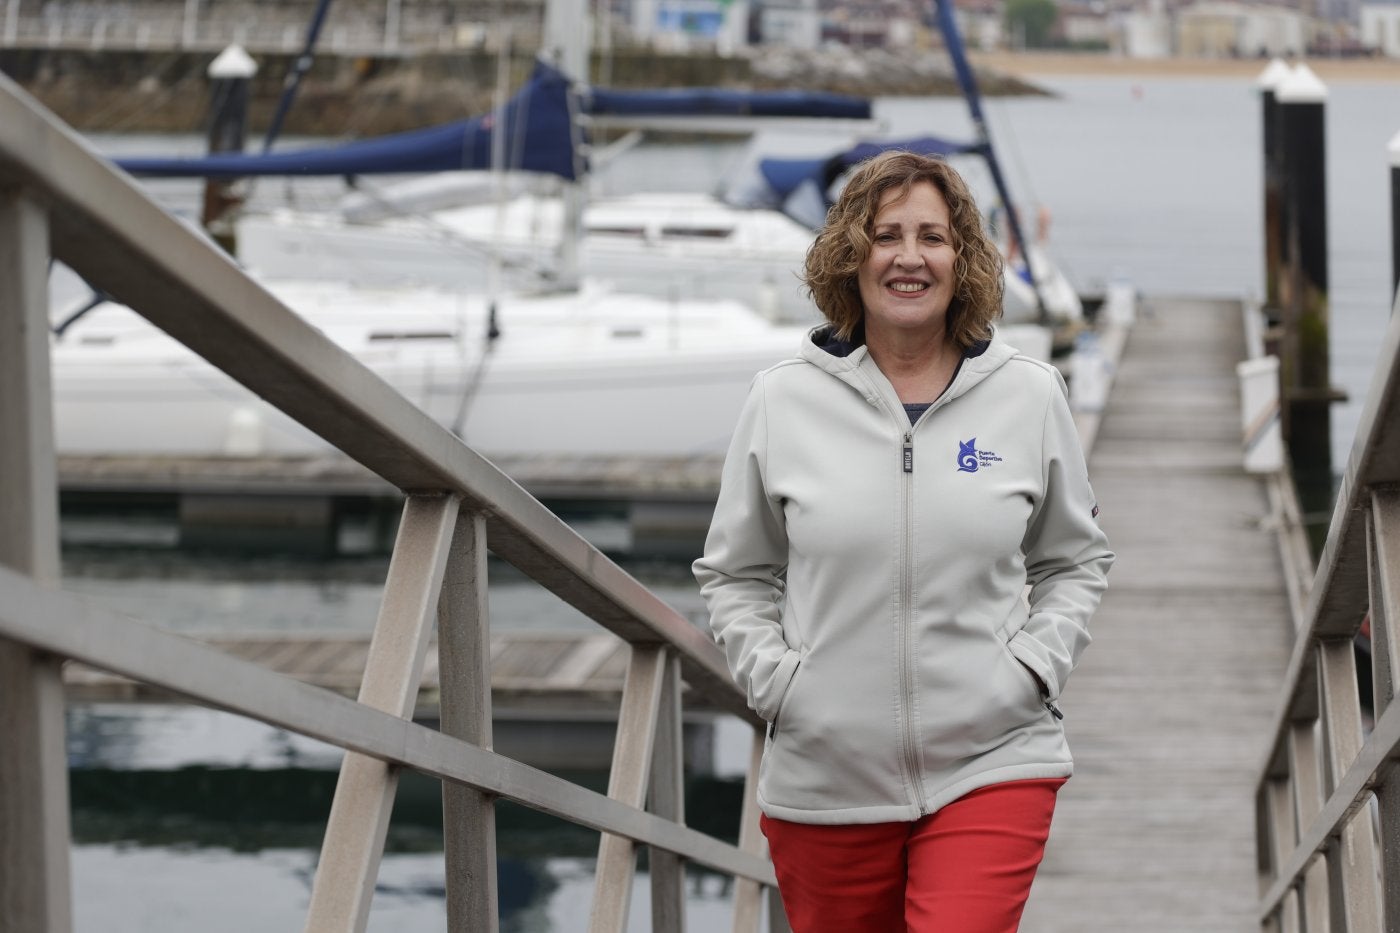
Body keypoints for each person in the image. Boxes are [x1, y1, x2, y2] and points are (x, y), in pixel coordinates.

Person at [692, 151, 1114, 933]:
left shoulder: (1028, 392)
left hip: (993, 758)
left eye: (934, 236)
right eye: (886, 235)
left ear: (965, 258)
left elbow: (1074, 559)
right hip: (827, 774)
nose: (910, 257)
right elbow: (736, 575)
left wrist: (1030, 670)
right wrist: (783, 686)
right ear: (851, 255)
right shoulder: (783, 398)